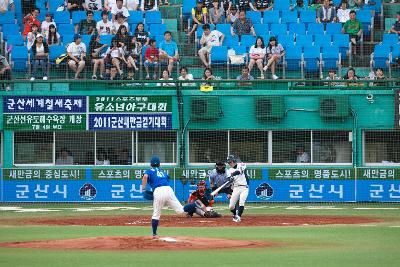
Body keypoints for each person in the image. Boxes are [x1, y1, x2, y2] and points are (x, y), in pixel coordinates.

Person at [141, 156, 184, 237]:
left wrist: (143, 189)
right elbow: (167, 178)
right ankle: (194, 205)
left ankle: (154, 234)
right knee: (181, 210)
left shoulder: (149, 171)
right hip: (168, 189)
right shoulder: (162, 172)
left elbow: (145, 176)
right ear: (159, 164)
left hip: (158, 191)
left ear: (150, 165)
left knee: (156, 214)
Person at [226, 155, 248, 223]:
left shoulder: (242, 164)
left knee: (241, 202)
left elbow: (239, 172)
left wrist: (233, 174)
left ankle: (238, 217)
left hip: (244, 187)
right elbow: (229, 179)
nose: (230, 164)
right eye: (229, 163)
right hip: (236, 188)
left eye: (230, 162)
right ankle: (235, 214)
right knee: (231, 206)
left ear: (234, 161)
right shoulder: (229, 170)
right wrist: (230, 179)